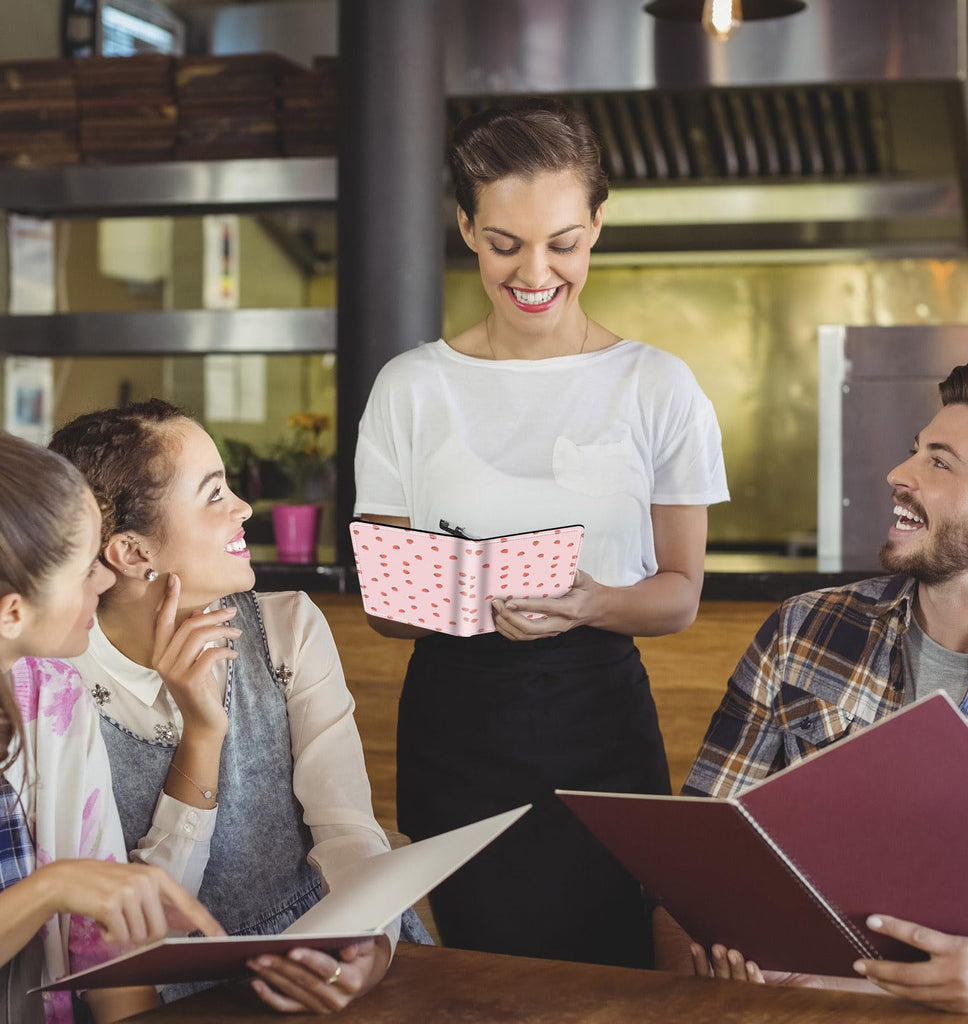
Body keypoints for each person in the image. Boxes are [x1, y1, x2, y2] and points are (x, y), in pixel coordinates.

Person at [354, 98, 729, 968]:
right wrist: (471, 600)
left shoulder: (658, 387)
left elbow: (678, 598)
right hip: (457, 733)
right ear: (465, 227)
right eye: (503, 243)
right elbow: (383, 603)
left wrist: (593, 601)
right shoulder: (411, 388)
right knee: (486, 977)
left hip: (598, 726)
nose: (535, 270)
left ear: (597, 226)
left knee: (618, 973)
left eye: (563, 242)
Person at [663, 360, 968, 1007]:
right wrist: (720, 960)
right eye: (914, 451)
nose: (898, 475)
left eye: (939, 463)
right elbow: (687, 872)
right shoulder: (803, 630)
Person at [50, 400, 427, 1016]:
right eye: (214, 493)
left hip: (325, 951)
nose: (244, 508)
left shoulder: (290, 627)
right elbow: (132, 921)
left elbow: (348, 829)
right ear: (132, 552)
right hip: (164, 988)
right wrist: (202, 733)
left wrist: (371, 945)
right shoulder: (59, 683)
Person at [0, 430, 222, 1024]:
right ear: (13, 611)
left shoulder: (55, 694)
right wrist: (52, 888)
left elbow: (107, 949)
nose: (104, 580)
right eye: (81, 571)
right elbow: (74, 887)